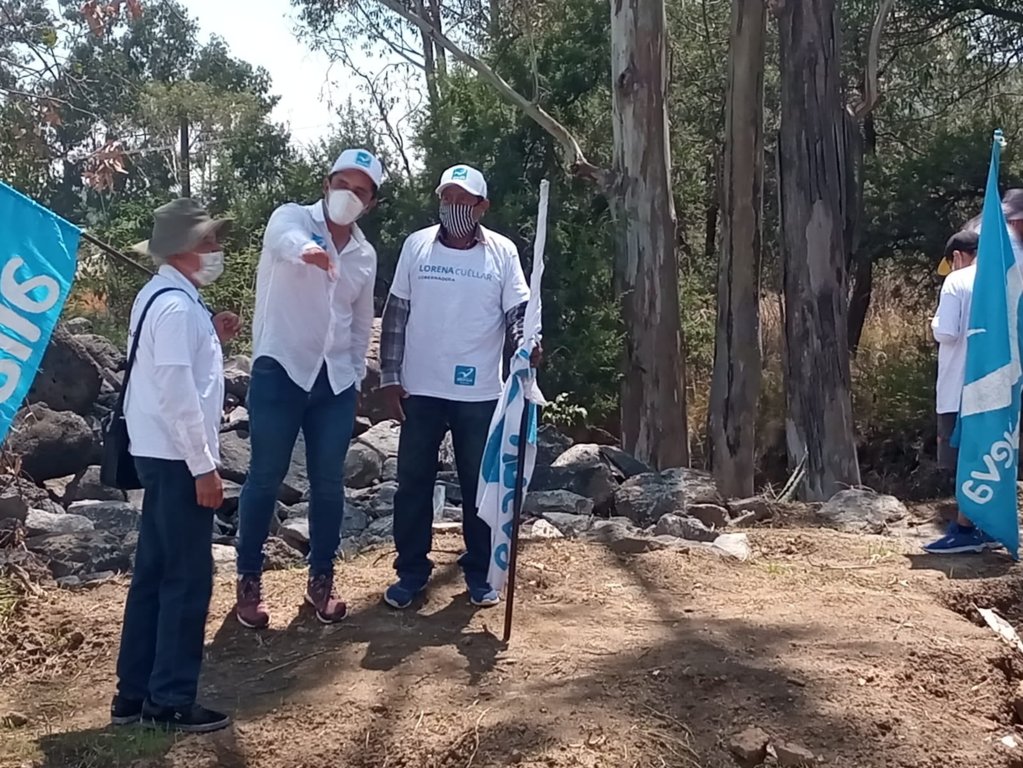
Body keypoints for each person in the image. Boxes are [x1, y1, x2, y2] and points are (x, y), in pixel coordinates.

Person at [378, 164, 540, 610]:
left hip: (480, 392)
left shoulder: (502, 252)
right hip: (420, 389)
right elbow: (396, 314)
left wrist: (526, 345)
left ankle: (481, 572)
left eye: (463, 200)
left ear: (482, 206)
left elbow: (518, 312)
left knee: (479, 485)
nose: (454, 207)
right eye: (447, 198)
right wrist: (390, 377)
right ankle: (411, 572)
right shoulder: (417, 246)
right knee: (413, 483)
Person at [234, 149, 380, 629]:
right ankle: (248, 579)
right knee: (265, 476)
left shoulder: (364, 255)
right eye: (343, 185)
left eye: (360, 191)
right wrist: (309, 251)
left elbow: (360, 322)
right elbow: (283, 239)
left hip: (334, 380)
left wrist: (354, 375)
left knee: (329, 483)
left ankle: (321, 578)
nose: (349, 196)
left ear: (371, 204)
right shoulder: (293, 218)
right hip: (282, 368)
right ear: (326, 184)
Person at [112, 198, 239, 732]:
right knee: (187, 578)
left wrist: (213, 337)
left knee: (155, 573)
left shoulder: (160, 298)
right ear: (185, 249)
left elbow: (172, 370)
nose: (216, 250)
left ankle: (134, 694)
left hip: (157, 452)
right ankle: (169, 699)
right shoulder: (177, 308)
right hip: (175, 456)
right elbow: (177, 393)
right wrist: (203, 466)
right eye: (209, 241)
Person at [923, 229, 1001, 554]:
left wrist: (933, 322)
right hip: (997, 388)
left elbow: (947, 331)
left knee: (965, 460)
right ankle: (990, 525)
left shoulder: (957, 281)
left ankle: (966, 529)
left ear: (957, 256)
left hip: (959, 388)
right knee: (990, 457)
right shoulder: (1005, 278)